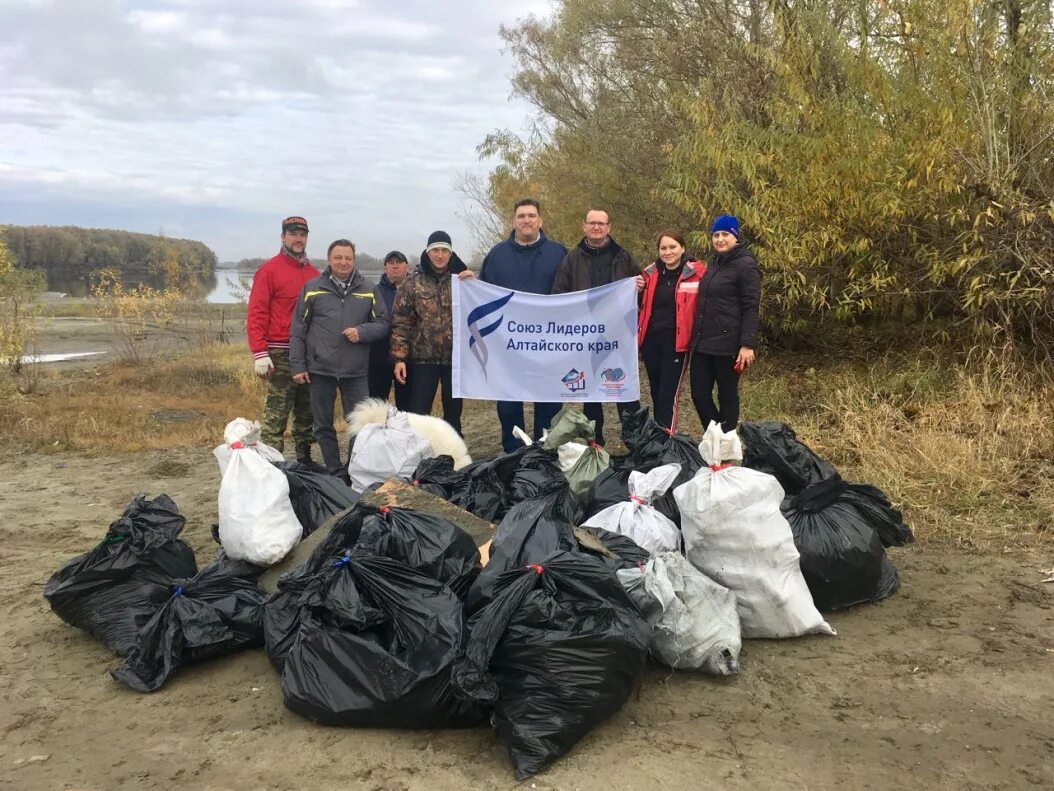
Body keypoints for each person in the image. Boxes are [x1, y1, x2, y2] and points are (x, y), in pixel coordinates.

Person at [289, 239, 390, 473]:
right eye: (338, 258)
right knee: (323, 425)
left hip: (355, 370)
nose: (343, 262)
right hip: (319, 368)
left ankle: (354, 469)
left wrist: (362, 332)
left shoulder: (368, 289)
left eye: (348, 258)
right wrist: (297, 365)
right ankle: (334, 470)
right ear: (329, 260)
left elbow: (383, 323)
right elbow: (297, 330)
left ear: (354, 260)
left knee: (360, 424)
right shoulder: (312, 288)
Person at [479, 198, 567, 451]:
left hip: (549, 341)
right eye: (521, 216)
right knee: (508, 402)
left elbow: (576, 289)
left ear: (540, 220)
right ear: (513, 221)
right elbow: (482, 293)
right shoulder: (497, 255)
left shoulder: (558, 252)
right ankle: (513, 450)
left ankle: (546, 449)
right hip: (508, 343)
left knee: (549, 399)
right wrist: (467, 284)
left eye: (531, 215)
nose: (526, 220)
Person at [551, 208, 641, 444]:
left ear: (609, 227)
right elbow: (559, 294)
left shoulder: (624, 256)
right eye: (592, 223)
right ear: (584, 226)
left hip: (619, 335)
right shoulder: (572, 258)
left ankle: (636, 442)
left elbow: (642, 290)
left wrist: (639, 287)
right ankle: (595, 443)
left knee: (625, 391)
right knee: (590, 393)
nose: (596, 227)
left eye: (601, 223)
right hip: (586, 337)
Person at [246, 215, 320, 461]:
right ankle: (271, 465)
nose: (298, 239)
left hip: (308, 353)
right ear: (283, 236)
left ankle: (304, 459)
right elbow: (256, 312)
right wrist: (260, 352)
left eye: (303, 234)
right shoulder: (269, 270)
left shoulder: (314, 274)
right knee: (276, 415)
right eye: (293, 234)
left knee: (306, 412)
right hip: (279, 353)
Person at [390, 231, 475, 435]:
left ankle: (454, 457)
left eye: (444, 250)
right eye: (435, 250)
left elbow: (476, 312)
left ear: (450, 254)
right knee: (419, 414)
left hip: (453, 362)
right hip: (422, 362)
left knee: (453, 415)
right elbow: (401, 323)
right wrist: (399, 358)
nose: (440, 255)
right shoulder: (412, 284)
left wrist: (474, 283)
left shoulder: (462, 282)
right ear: (428, 253)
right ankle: (419, 458)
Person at [689, 214, 761, 432]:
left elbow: (751, 306)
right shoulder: (713, 263)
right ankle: (716, 437)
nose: (720, 239)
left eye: (725, 234)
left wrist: (747, 344)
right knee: (699, 395)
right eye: (716, 235)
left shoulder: (746, 265)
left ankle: (726, 443)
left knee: (727, 396)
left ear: (735, 237)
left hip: (729, 344)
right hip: (703, 342)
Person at [635, 230, 705, 431]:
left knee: (669, 394)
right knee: (656, 392)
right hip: (650, 342)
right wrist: (636, 288)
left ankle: (667, 440)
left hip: (677, 344)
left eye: (672, 247)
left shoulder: (697, 273)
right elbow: (638, 303)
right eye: (663, 248)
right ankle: (658, 436)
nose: (668, 252)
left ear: (682, 248)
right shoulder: (649, 273)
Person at [367, 250, 411, 409]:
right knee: (377, 407)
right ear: (385, 267)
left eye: (398, 262)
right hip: (379, 358)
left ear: (407, 266)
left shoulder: (415, 289)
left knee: (407, 408)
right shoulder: (374, 291)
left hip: (408, 359)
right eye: (391, 263)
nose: (395, 266)